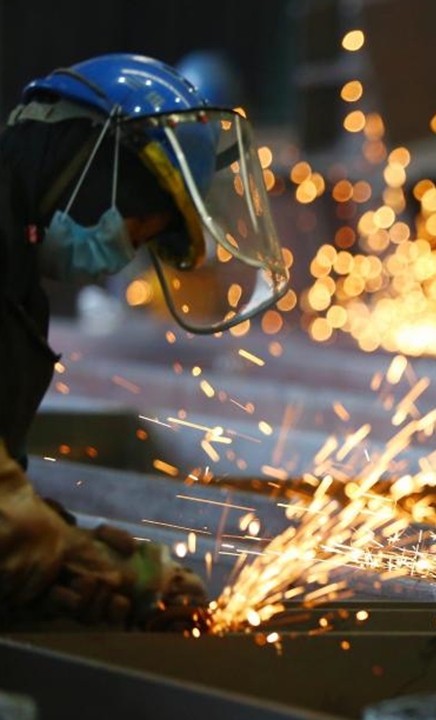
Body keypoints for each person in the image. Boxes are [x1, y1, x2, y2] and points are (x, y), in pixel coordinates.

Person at [0, 53, 289, 629]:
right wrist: (81, 560)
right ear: (83, 161)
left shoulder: (18, 282)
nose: (123, 248)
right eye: (136, 223)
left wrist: (59, 544)